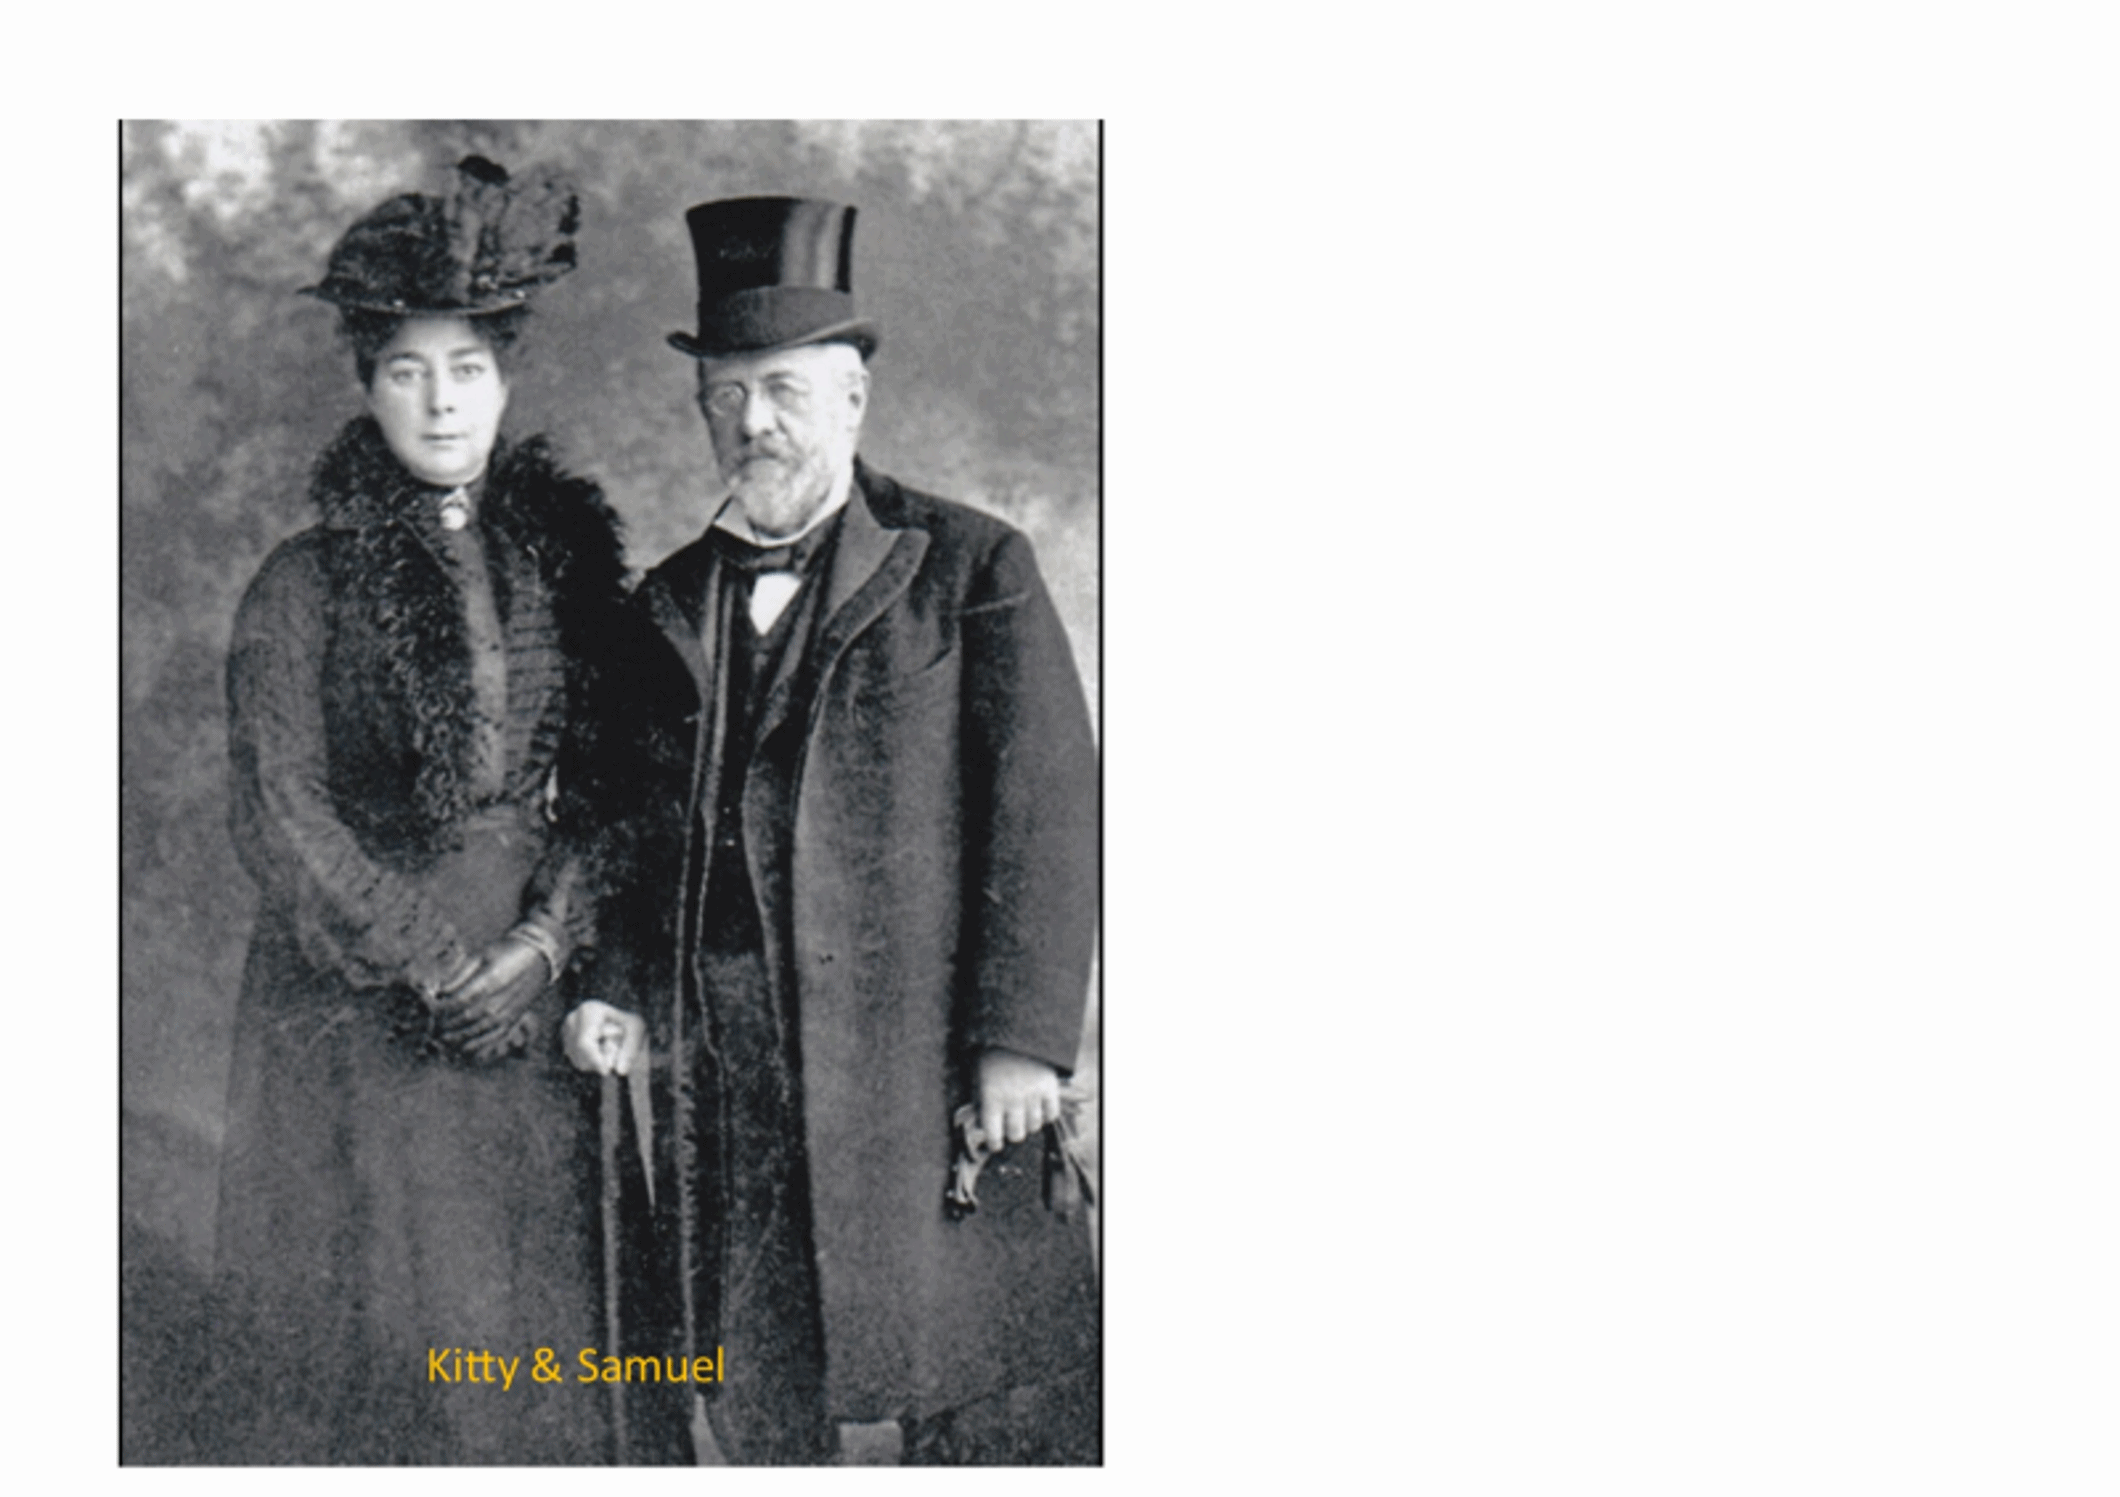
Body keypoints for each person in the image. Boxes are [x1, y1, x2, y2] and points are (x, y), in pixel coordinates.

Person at [565, 196, 1100, 1466]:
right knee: (759, 1386)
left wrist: (1019, 1043)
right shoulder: (665, 602)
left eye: (785, 391)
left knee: (978, 1381)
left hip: (920, 1065)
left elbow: (1045, 808)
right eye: (726, 394)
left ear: (852, 399)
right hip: (728, 1071)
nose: (752, 422)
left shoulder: (972, 567)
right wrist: (616, 981)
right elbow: (630, 826)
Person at [212, 155, 633, 1464]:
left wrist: (544, 944)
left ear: (505, 381)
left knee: (534, 1342)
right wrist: (437, 966)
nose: (441, 400)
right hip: (365, 1006)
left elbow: (613, 784)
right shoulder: (301, 584)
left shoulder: (558, 567)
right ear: (367, 383)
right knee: (397, 1340)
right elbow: (282, 809)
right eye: (407, 370)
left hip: (527, 991)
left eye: (467, 368)